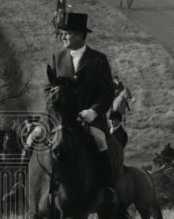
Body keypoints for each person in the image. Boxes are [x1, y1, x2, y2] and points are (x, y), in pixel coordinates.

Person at [42, 11, 120, 198]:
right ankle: (27, 185)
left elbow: (107, 92)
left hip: (89, 119)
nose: (62, 36)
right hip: (61, 118)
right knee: (33, 138)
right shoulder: (57, 58)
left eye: (66, 33)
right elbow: (47, 89)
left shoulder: (98, 59)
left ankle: (108, 188)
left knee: (100, 140)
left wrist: (93, 112)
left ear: (78, 35)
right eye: (61, 33)